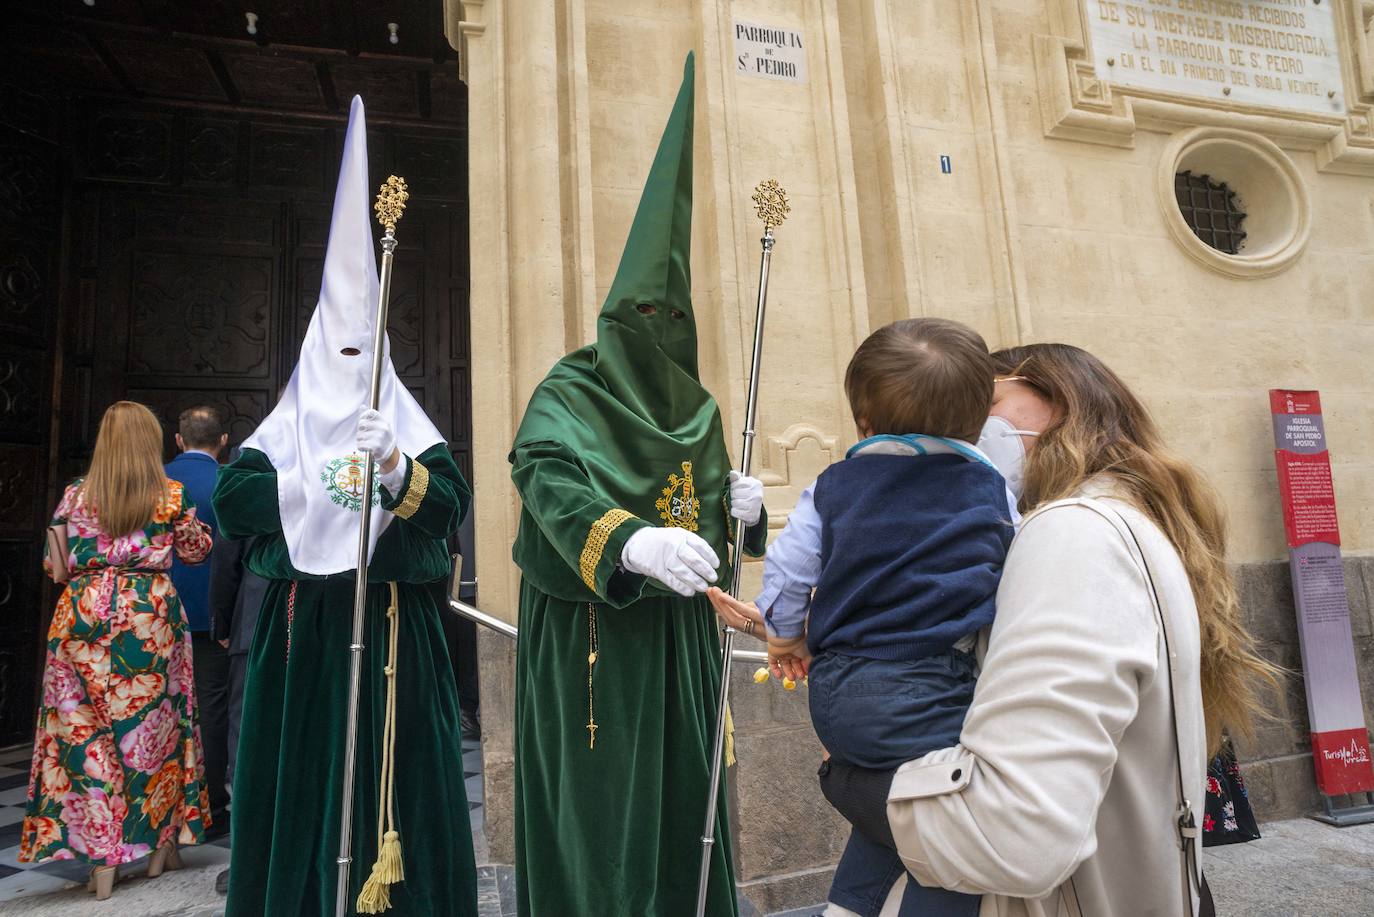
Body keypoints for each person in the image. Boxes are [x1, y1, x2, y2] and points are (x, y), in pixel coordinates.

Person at [805, 343, 1279, 916]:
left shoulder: (1072, 533)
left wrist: (848, 779)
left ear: (1062, 400)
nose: (963, 425)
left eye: (989, 399)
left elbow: (1014, 836)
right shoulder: (1114, 522)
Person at [509, 53, 767, 916]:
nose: (659, 331)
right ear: (617, 315)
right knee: (602, 815)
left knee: (682, 812)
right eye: (643, 316)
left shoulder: (699, 408)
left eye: (674, 318)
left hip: (683, 645)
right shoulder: (568, 390)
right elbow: (542, 473)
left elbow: (714, 525)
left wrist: (747, 516)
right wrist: (629, 540)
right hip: (597, 643)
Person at [213, 96, 477, 917]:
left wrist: (397, 470)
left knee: (398, 796)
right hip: (302, 641)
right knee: (303, 786)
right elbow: (235, 499)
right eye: (339, 348)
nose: (350, 361)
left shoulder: (402, 419)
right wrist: (309, 485)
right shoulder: (282, 428)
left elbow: (450, 505)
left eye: (364, 349)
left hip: (399, 632)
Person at [709, 318, 1018, 917]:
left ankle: (849, 907)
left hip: (839, 693)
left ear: (863, 421)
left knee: (897, 817)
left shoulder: (834, 485)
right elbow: (1016, 566)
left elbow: (789, 572)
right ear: (978, 421)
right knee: (952, 834)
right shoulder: (991, 487)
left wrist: (784, 639)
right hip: (935, 688)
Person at [20, 401, 213, 899]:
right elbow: (196, 552)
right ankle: (159, 842)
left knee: (80, 735)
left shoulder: (74, 496)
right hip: (148, 617)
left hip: (81, 615)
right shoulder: (170, 495)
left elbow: (53, 566)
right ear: (153, 442)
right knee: (157, 730)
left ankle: (101, 857)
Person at [165, 404, 231, 831]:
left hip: (154, 615)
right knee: (213, 706)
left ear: (178, 439)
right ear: (223, 441)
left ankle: (162, 807)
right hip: (210, 614)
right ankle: (211, 808)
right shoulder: (228, 481)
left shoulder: (152, 481)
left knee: (159, 705)